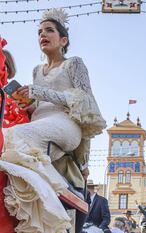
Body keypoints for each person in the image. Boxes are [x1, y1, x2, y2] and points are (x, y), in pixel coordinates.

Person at [0, 8, 106, 232]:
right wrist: (27, 103)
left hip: (65, 124)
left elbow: (86, 101)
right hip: (39, 122)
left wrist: (40, 93)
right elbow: (38, 104)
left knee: (17, 136)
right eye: (39, 32)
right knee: (6, 136)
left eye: (49, 30)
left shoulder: (74, 63)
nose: (42, 35)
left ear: (63, 39)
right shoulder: (37, 70)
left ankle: (52, 212)